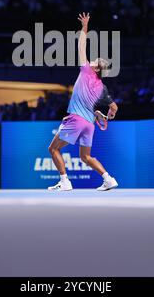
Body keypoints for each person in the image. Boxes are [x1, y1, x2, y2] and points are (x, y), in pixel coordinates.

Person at [48, 12, 118, 191]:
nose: (91, 61)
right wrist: (106, 114)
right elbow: (113, 107)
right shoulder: (101, 86)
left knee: (53, 149)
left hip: (77, 119)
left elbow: (80, 45)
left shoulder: (87, 70)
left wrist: (85, 27)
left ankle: (65, 182)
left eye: (94, 61)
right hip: (89, 123)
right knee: (85, 157)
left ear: (95, 67)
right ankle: (108, 179)